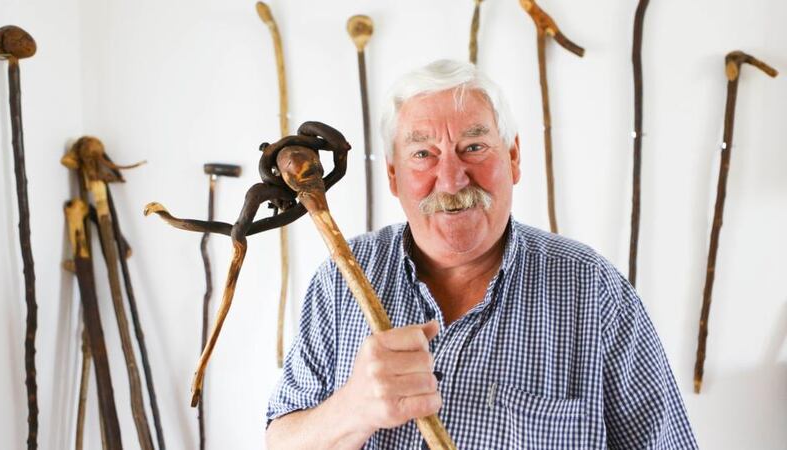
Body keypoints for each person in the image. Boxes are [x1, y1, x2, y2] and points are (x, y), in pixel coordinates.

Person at [265, 59, 697, 449]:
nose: (451, 181)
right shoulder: (340, 279)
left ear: (513, 157)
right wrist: (351, 410)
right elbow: (280, 441)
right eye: (422, 154)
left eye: (473, 147)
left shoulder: (592, 289)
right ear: (394, 177)